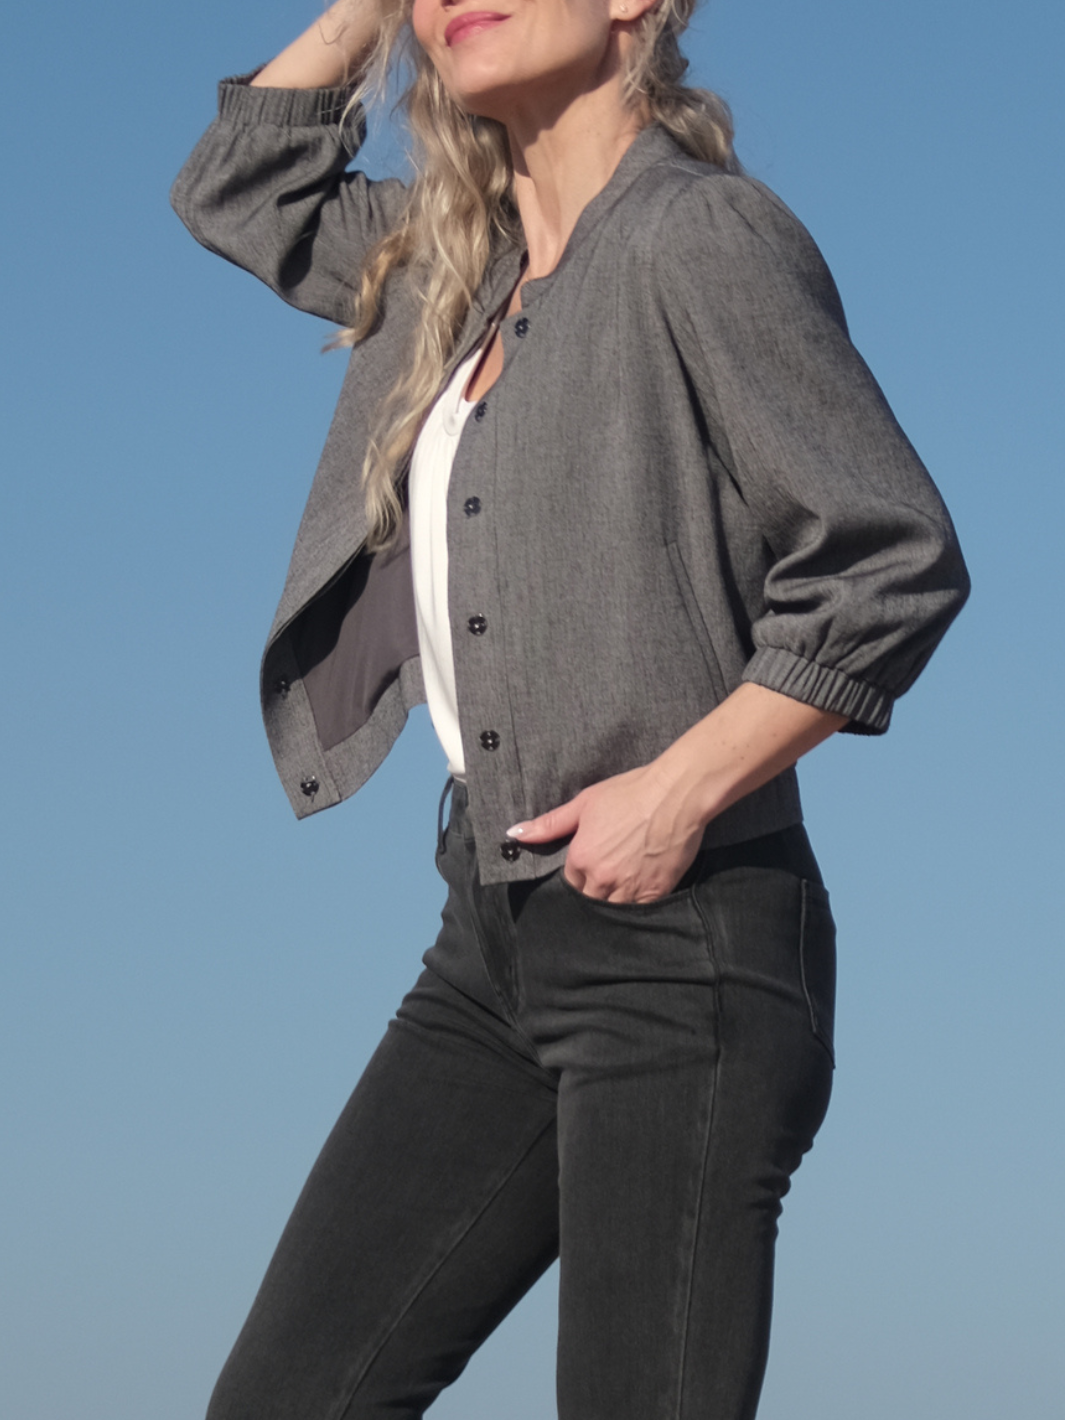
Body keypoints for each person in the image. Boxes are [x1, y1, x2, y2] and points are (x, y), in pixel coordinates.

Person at [171, 2, 969, 1416]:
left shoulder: (698, 237)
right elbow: (238, 184)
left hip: (686, 948)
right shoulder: (449, 266)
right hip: (488, 946)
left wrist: (676, 793)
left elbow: (890, 557)